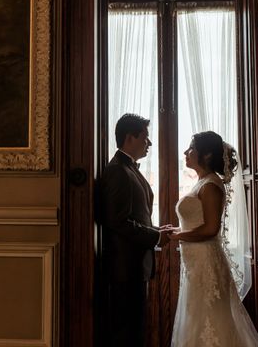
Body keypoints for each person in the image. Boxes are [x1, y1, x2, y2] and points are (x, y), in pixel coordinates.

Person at [168, 130, 258, 346]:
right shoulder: (202, 182)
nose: (186, 152)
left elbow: (211, 229)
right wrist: (175, 230)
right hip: (195, 262)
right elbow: (196, 223)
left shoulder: (211, 185)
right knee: (197, 317)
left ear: (207, 155)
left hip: (206, 263)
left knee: (211, 318)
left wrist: (177, 236)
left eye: (191, 148)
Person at [100, 113, 172, 347]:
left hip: (135, 266)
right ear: (130, 138)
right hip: (124, 268)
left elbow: (135, 216)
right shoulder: (117, 171)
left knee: (136, 330)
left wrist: (156, 228)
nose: (148, 143)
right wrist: (156, 236)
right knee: (126, 334)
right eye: (145, 137)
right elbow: (117, 221)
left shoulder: (129, 169)